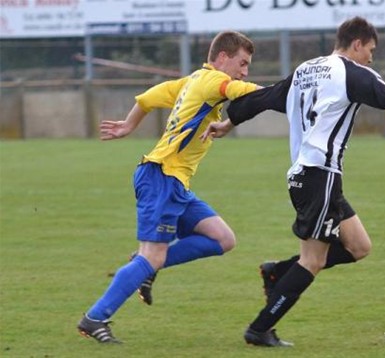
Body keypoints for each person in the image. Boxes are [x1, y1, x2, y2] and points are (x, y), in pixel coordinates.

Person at [201, 17, 385, 347]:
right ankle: (259, 328)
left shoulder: (306, 69)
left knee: (359, 247)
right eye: (370, 50)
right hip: (318, 174)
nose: (371, 58)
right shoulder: (350, 72)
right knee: (313, 260)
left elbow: (266, 96)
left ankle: (278, 272)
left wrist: (228, 122)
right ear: (357, 44)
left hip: (313, 176)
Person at [77, 30, 261, 343]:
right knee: (152, 255)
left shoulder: (191, 81)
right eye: (242, 63)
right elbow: (247, 92)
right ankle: (95, 318)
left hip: (173, 182)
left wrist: (129, 124)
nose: (244, 71)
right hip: (162, 177)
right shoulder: (211, 81)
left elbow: (147, 99)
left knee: (223, 239)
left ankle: (145, 266)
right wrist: (289, 91)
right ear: (223, 58)